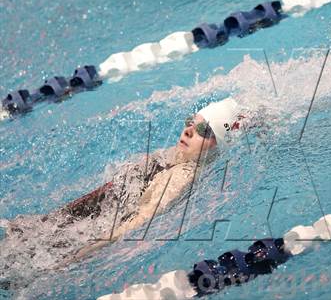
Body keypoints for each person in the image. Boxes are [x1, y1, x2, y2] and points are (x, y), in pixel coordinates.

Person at [0, 97, 244, 288]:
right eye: (190, 121)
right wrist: (46, 220)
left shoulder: (183, 176)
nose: (188, 130)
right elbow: (102, 195)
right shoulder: (172, 156)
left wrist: (75, 258)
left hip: (93, 233)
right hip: (90, 219)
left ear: (218, 144)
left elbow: (140, 221)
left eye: (203, 129)